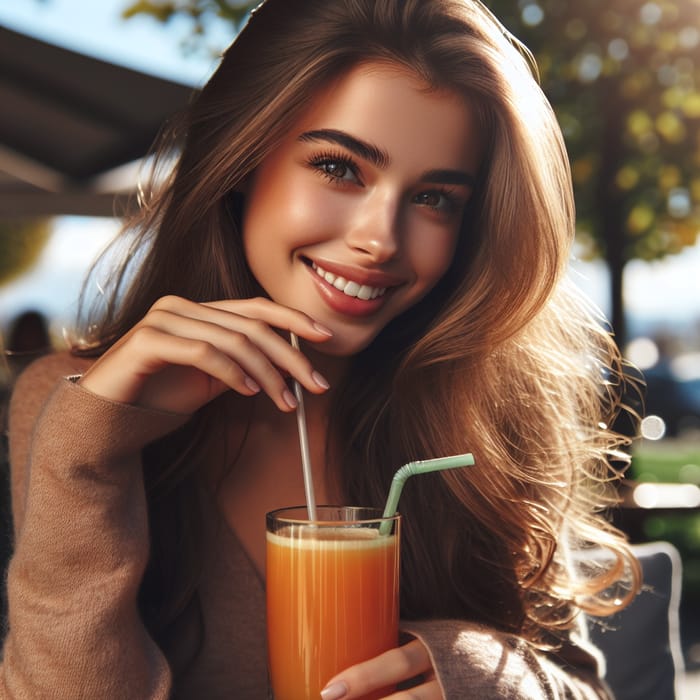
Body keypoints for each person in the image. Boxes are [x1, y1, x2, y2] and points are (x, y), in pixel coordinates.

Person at [1, 1, 643, 697]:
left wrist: (482, 673)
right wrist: (92, 454)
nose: (381, 239)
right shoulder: (76, 409)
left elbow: (586, 688)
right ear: (244, 156)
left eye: (435, 198)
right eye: (339, 168)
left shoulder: (481, 416)